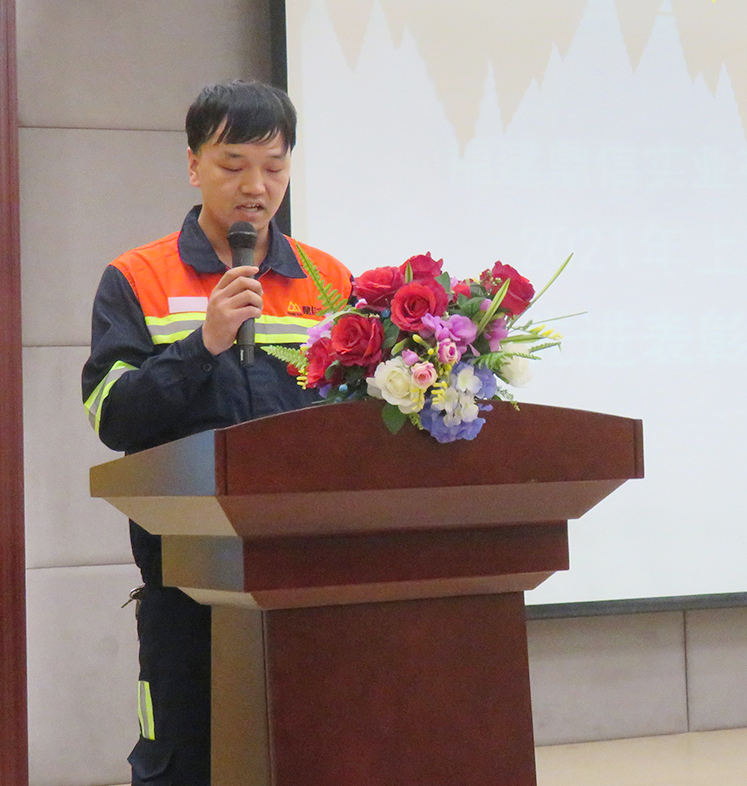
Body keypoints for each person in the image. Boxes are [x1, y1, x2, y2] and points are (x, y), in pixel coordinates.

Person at [82, 80, 352, 786]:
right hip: (187, 576)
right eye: (233, 165)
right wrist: (201, 344)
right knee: (185, 760)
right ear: (193, 165)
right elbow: (112, 414)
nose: (256, 187)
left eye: (274, 166)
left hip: (308, 571)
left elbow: (352, 417)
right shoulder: (137, 278)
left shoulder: (328, 280)